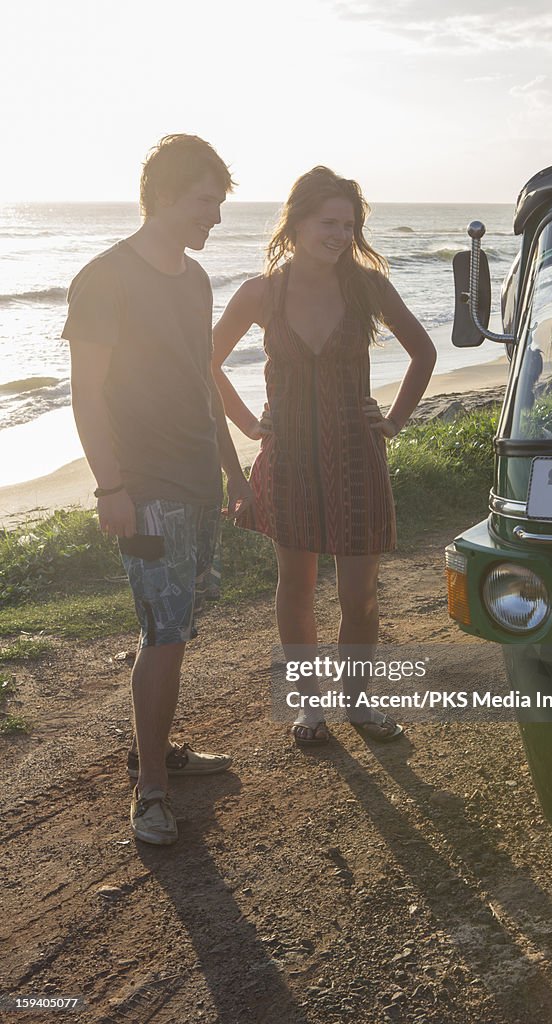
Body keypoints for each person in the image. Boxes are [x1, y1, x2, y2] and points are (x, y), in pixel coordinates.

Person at [64, 134, 252, 845]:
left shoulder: (195, 279)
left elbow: (201, 382)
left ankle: (157, 751)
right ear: (166, 196)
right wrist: (110, 486)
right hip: (144, 489)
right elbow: (86, 396)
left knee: (178, 626)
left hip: (199, 481)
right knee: (163, 633)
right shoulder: (104, 278)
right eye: (206, 201)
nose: (215, 216)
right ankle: (150, 790)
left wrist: (233, 473)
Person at [212, 166, 436, 746]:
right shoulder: (264, 291)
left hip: (358, 460)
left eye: (349, 224)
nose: (339, 234)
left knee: (359, 594)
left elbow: (424, 351)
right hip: (288, 462)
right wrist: (247, 423)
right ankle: (309, 708)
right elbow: (204, 364)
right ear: (298, 221)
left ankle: (359, 704)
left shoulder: (367, 286)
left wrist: (392, 421)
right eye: (328, 222)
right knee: (296, 586)